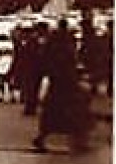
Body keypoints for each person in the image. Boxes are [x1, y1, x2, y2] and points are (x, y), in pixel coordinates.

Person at [33, 20, 89, 153]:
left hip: (58, 83)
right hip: (66, 83)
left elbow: (45, 61)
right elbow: (71, 61)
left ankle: (42, 137)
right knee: (72, 111)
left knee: (53, 113)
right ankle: (78, 139)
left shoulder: (53, 42)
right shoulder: (66, 43)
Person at [0, 32, 16, 103]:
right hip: (10, 63)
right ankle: (12, 95)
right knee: (10, 80)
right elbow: (14, 54)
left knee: (1, 80)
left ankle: (1, 95)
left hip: (0, 64)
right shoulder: (11, 45)